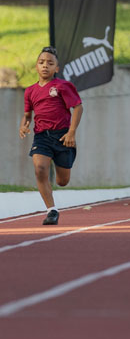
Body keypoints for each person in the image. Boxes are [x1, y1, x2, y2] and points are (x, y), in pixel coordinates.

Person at [19, 46, 83, 225]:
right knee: (40, 169)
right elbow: (28, 114)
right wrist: (23, 125)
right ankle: (51, 210)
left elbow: (78, 107)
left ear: (57, 68)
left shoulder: (62, 86)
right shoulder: (30, 91)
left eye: (50, 63)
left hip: (63, 136)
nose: (45, 66)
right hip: (42, 136)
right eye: (41, 62)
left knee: (63, 181)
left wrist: (71, 132)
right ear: (36, 66)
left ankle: (64, 158)